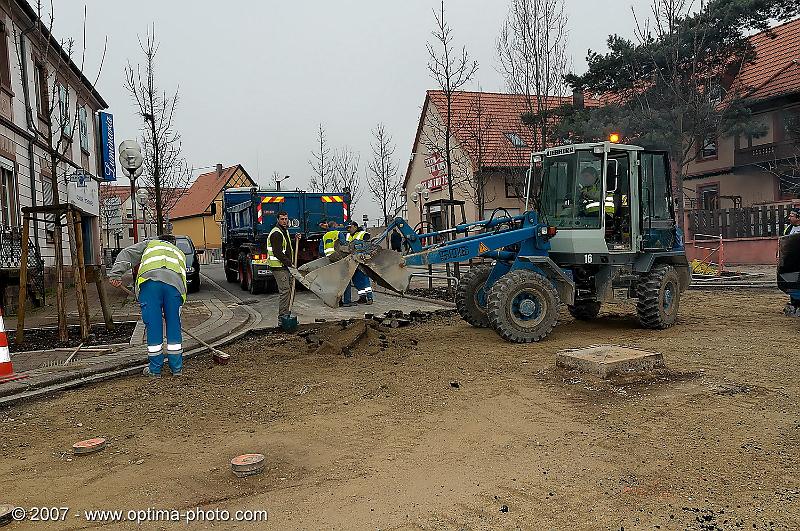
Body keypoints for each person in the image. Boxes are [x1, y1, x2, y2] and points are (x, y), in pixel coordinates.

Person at [109, 234, 187, 378]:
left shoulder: (150, 244)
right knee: (174, 325)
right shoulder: (179, 252)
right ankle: (177, 369)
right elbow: (182, 278)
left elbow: (127, 254)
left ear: (159, 239)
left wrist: (115, 274)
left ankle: (155, 370)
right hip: (174, 287)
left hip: (150, 284)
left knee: (154, 325)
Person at [268, 211, 295, 322]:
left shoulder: (284, 231)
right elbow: (278, 253)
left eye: (286, 219)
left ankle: (286, 313)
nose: (284, 221)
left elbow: (287, 246)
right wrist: (289, 263)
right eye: (282, 219)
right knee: (284, 290)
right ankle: (282, 317)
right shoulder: (276, 233)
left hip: (284, 266)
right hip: (278, 267)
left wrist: (295, 238)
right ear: (278, 220)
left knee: (288, 290)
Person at [346, 221, 374, 304]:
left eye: (350, 227)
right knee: (356, 280)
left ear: (355, 227)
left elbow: (368, 247)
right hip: (352, 261)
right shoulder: (348, 235)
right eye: (347, 228)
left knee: (364, 279)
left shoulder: (363, 234)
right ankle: (362, 298)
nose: (348, 229)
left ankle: (369, 298)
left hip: (361, 261)